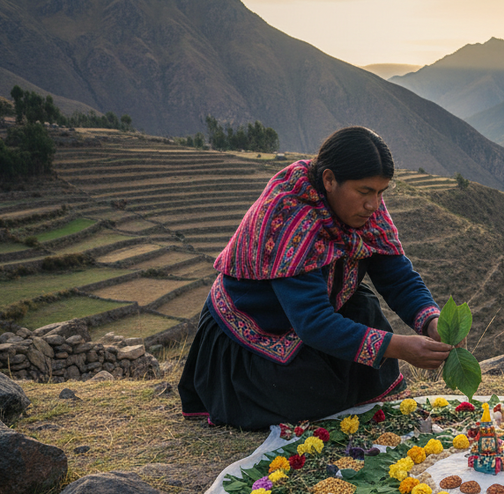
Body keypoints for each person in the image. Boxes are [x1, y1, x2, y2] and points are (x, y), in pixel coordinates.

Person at [179, 126, 455, 430]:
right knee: (307, 398)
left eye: (380, 193)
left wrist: (431, 320)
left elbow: (395, 272)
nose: (374, 205)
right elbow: (312, 322)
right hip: (257, 328)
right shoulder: (290, 215)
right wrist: (398, 347)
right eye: (365, 192)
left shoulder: (362, 207)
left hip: (311, 313)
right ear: (329, 179)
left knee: (364, 309)